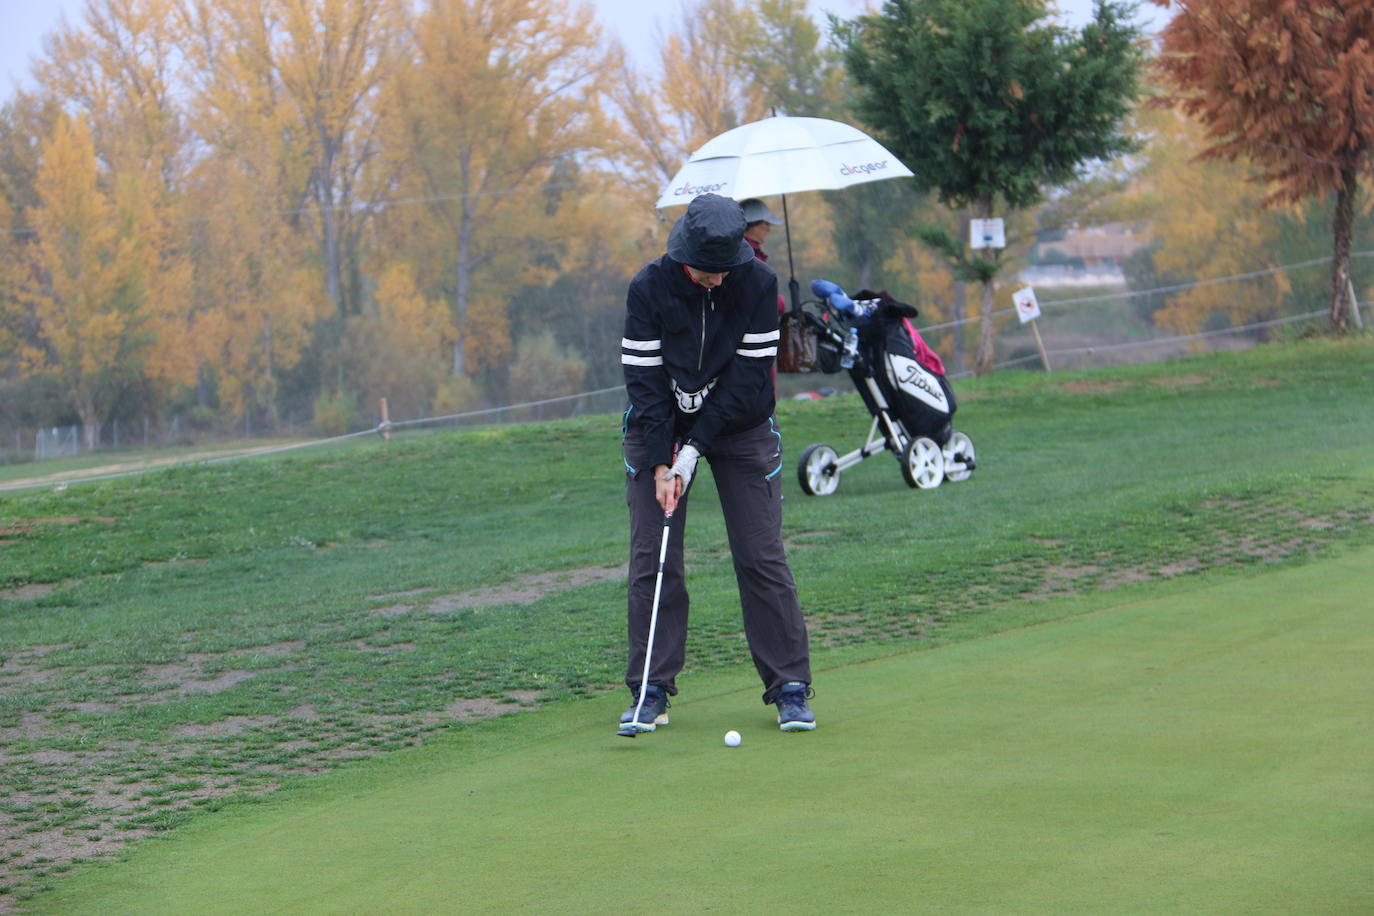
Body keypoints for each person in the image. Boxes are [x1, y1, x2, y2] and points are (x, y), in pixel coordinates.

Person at [618, 193, 816, 734]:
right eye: (707, 271)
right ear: (684, 255)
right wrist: (662, 462)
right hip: (658, 426)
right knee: (655, 556)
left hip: (741, 426)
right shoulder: (649, 287)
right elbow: (645, 383)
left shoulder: (757, 284)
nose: (717, 279)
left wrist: (694, 451)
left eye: (725, 268)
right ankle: (650, 689)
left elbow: (747, 381)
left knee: (760, 554)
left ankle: (790, 686)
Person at [739, 198, 787, 317]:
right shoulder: (748, 255)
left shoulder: (748, 251)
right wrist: (780, 303)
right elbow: (758, 297)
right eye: (766, 223)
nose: (769, 229)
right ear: (752, 225)